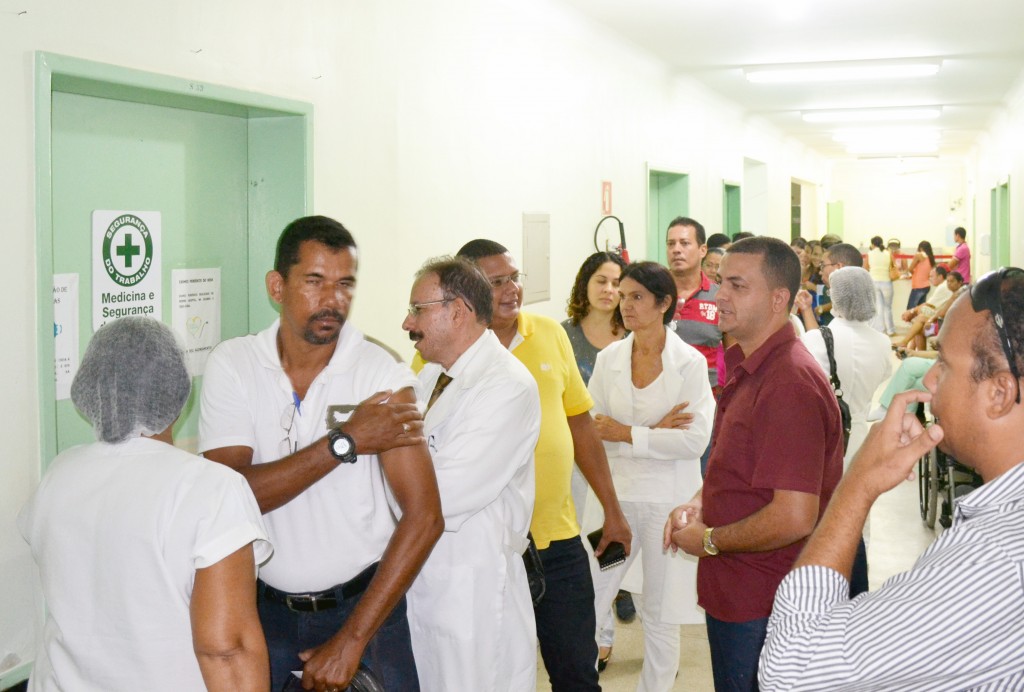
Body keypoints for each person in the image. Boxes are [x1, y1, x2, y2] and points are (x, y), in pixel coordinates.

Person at [199, 215, 443, 692]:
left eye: (345, 285)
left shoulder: (383, 376)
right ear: (277, 285)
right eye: (315, 282)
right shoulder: (234, 365)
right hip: (263, 612)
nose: (333, 300)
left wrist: (351, 641)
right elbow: (230, 494)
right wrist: (345, 442)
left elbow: (425, 516)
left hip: (365, 612)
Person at [759, 268, 1024, 691]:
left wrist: (857, 483)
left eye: (943, 363)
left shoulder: (994, 559)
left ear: (998, 393)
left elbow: (793, 671)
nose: (931, 379)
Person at [19, 317, 272, 691]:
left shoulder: (60, 473)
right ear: (177, 391)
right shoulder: (211, 490)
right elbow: (227, 650)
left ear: (90, 388)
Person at [663, 237, 844, 691]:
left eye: (738, 285)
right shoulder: (750, 364)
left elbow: (794, 516)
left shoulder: (788, 383)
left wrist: (707, 540)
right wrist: (698, 500)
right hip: (737, 591)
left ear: (778, 299)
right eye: (722, 281)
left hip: (766, 602)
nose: (720, 294)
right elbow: (737, 465)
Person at [456, 239, 631, 692]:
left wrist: (612, 510)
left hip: (557, 541)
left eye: (514, 277)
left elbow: (581, 427)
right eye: (496, 282)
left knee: (577, 672)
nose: (511, 289)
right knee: (490, 676)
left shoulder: (549, 334)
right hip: (485, 548)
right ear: (466, 289)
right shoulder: (446, 350)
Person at [402, 257, 541, 691]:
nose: (407, 322)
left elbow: (442, 493)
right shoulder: (428, 378)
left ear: (457, 311)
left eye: (418, 309)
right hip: (426, 578)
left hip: (473, 585)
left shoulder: (507, 385)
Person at [589, 261, 715, 691]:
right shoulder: (609, 361)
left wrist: (627, 434)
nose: (626, 305)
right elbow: (593, 432)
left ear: (664, 303)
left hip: (667, 505)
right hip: (614, 504)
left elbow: (693, 442)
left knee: (660, 612)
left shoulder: (691, 364)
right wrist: (652, 433)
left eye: (638, 297)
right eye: (623, 296)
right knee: (592, 599)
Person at [798, 267, 892, 596]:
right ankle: (855, 594)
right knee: (858, 520)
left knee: (820, 519)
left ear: (835, 297)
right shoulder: (883, 345)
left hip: (820, 445)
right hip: (861, 445)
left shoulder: (812, 340)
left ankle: (819, 591)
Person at [560, 250, 630, 668]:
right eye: (600, 281)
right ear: (584, 286)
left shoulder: (634, 335)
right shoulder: (563, 336)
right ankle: (585, 628)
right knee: (578, 549)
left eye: (616, 282)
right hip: (570, 459)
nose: (609, 290)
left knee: (607, 546)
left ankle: (601, 631)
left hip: (622, 457)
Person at [666, 217, 722, 389]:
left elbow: (735, 356)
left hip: (706, 400)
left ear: (702, 250)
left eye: (684, 243)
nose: (676, 250)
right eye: (671, 244)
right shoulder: (653, 293)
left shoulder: (720, 297)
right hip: (659, 400)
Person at [795, 242, 864, 332]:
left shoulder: (841, 323)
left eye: (823, 266)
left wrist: (809, 309)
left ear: (838, 267)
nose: (820, 272)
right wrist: (806, 308)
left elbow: (822, 341)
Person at [893, 268, 965, 350]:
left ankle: (910, 347)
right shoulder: (956, 293)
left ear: (960, 282)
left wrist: (929, 320)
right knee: (919, 325)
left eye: (952, 281)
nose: (949, 284)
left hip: (947, 326)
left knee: (920, 321)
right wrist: (930, 319)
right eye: (948, 281)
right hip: (945, 323)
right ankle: (912, 350)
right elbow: (941, 311)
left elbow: (941, 312)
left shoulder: (956, 294)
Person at [866, 235, 896, 335]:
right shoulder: (888, 253)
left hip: (874, 282)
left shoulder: (869, 254)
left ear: (873, 244)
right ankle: (891, 330)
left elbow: (865, 268)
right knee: (888, 307)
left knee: (878, 307)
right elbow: (892, 266)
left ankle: (880, 330)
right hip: (886, 282)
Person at [905, 240, 935, 309]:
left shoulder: (918, 255)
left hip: (918, 286)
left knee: (910, 309)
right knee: (920, 310)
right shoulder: (931, 258)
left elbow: (910, 269)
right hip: (926, 286)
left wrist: (913, 274)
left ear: (921, 248)